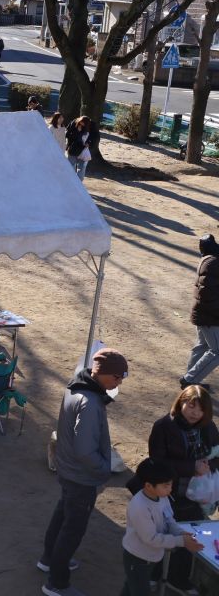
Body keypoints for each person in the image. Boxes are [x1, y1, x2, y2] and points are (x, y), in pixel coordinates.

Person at [39, 348, 128, 596]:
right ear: (102, 373)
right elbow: (85, 450)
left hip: (68, 470)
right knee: (73, 530)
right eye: (117, 377)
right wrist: (103, 469)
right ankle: (57, 583)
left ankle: (48, 558)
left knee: (62, 515)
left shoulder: (77, 387)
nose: (119, 383)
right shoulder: (90, 404)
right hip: (81, 476)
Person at [146, 385, 219, 590]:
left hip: (196, 496)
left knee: (190, 537)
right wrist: (191, 467)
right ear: (181, 403)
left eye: (201, 409)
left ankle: (177, 578)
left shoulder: (209, 428)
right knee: (162, 535)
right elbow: (157, 462)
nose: (195, 413)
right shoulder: (163, 427)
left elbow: (217, 455)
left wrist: (207, 466)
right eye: (191, 406)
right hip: (169, 493)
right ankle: (153, 575)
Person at [121, 458, 202, 596]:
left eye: (170, 484)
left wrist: (180, 533)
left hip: (150, 556)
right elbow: (151, 539)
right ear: (148, 486)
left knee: (130, 588)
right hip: (138, 558)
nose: (170, 489)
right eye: (166, 485)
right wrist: (181, 541)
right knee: (140, 591)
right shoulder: (140, 507)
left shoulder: (162, 497)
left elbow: (169, 520)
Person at [180, 234, 219, 391]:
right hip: (210, 317)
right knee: (217, 351)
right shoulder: (214, 263)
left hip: (203, 314)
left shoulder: (209, 260)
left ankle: (190, 378)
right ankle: (190, 379)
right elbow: (207, 294)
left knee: (202, 346)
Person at [66, 115, 93, 181]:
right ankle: (70, 180)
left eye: (84, 123)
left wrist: (88, 143)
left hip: (83, 151)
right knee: (71, 165)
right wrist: (78, 132)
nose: (82, 124)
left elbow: (91, 138)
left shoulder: (89, 127)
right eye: (81, 122)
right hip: (73, 149)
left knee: (82, 167)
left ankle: (78, 182)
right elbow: (68, 135)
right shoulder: (74, 124)